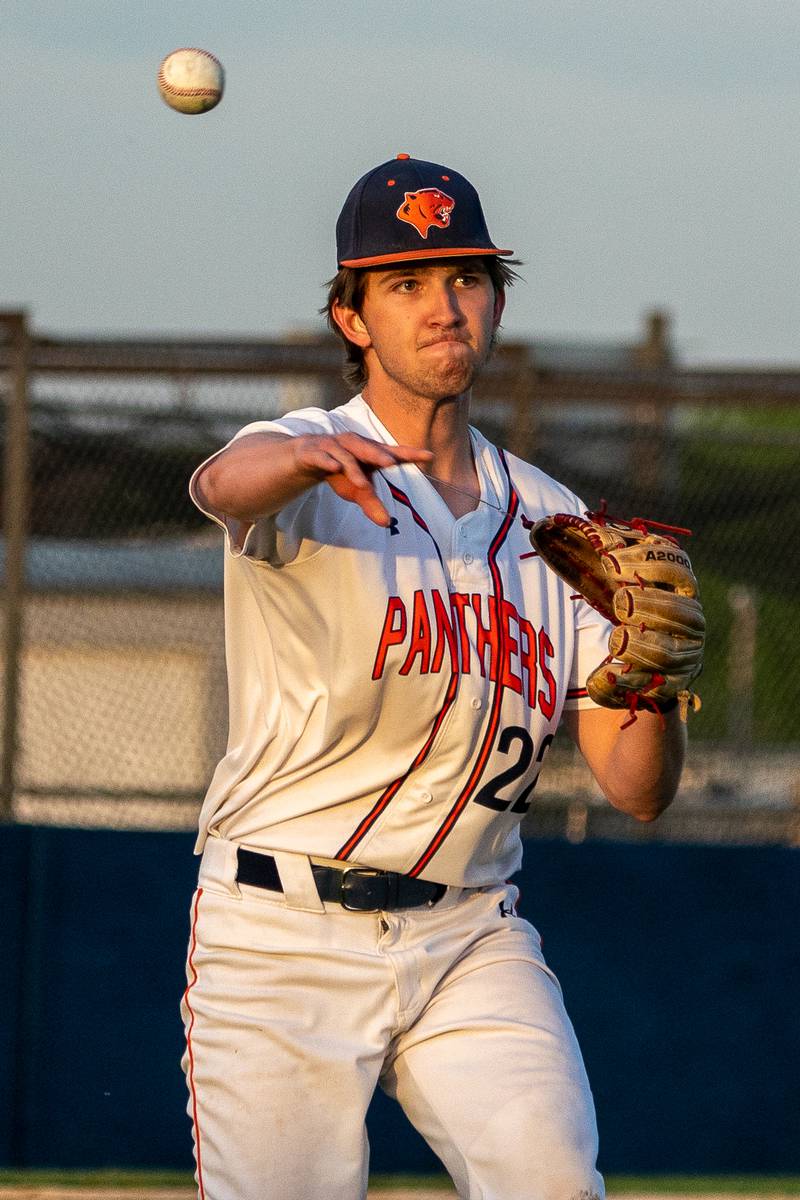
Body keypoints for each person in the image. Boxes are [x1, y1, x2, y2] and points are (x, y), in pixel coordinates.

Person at [181, 153, 691, 1200]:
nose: (442, 306)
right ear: (352, 320)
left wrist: (648, 676)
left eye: (464, 278)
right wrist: (303, 461)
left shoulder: (559, 530)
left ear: (496, 303)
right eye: (404, 284)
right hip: (281, 934)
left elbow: (636, 792)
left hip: (469, 935)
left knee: (552, 1182)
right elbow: (221, 485)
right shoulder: (303, 458)